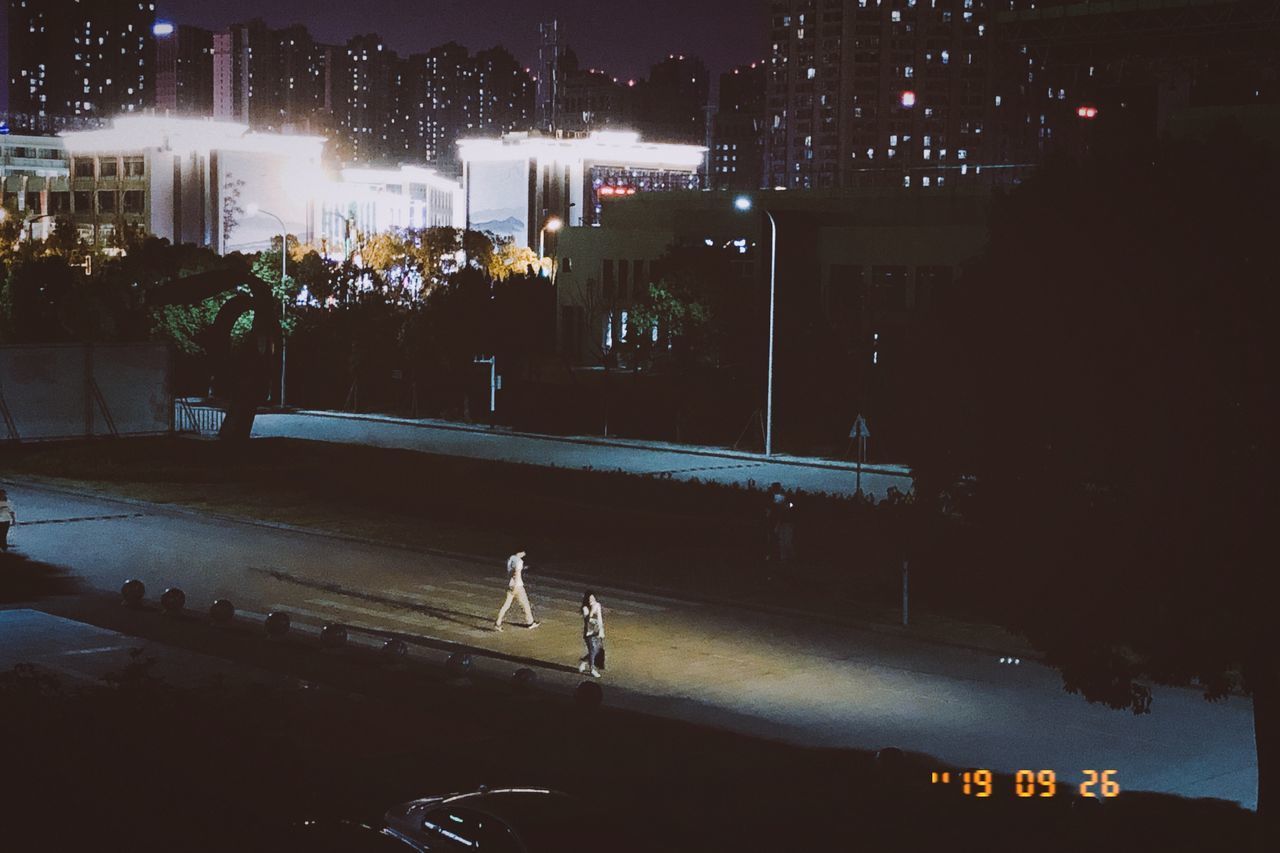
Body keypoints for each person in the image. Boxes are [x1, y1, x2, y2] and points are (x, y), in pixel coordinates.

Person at [495, 550, 539, 631]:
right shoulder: (519, 561)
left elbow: (511, 570)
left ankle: (498, 623)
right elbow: (517, 573)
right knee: (526, 605)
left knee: (506, 605)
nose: (524, 554)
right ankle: (530, 623)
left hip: (509, 584)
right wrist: (516, 586)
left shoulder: (511, 558)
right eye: (523, 552)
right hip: (517, 586)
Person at [578, 591, 605, 678]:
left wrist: (601, 630)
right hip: (589, 633)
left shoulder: (598, 605)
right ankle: (592, 669)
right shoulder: (585, 608)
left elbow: (600, 618)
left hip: (597, 631)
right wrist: (593, 610)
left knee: (596, 650)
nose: (591, 600)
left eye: (593, 598)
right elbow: (588, 620)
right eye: (589, 599)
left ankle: (584, 661)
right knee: (593, 650)